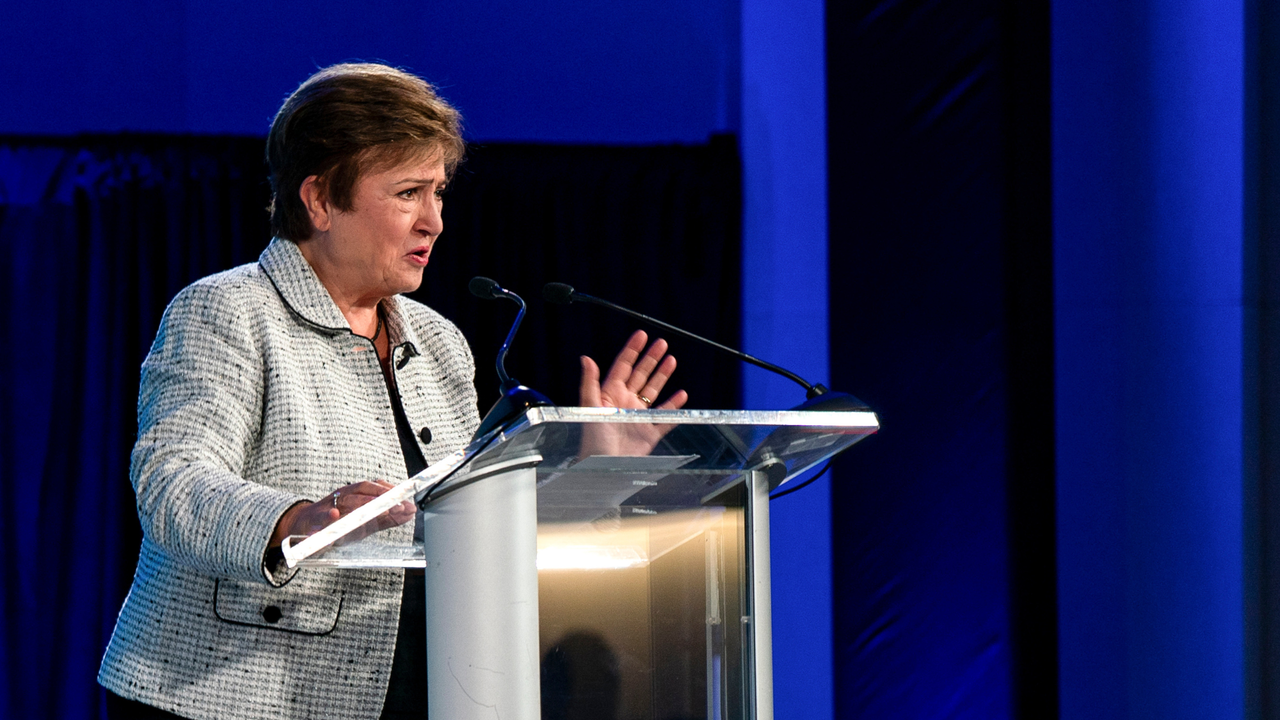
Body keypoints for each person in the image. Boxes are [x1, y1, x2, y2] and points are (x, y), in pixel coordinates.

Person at [97, 63, 686, 720]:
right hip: (227, 699)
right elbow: (173, 480)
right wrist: (299, 521)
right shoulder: (227, 312)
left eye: (439, 193)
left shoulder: (438, 342)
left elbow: (473, 522)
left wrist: (592, 470)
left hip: (416, 691)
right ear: (319, 199)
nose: (433, 221)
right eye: (408, 192)